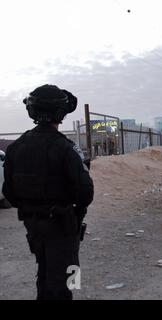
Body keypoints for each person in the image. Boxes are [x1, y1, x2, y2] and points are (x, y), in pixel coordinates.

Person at [2, 84, 94, 300]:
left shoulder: (16, 147)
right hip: (62, 228)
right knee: (68, 279)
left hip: (34, 227)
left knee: (44, 273)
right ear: (61, 113)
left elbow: (10, 193)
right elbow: (85, 193)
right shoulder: (65, 147)